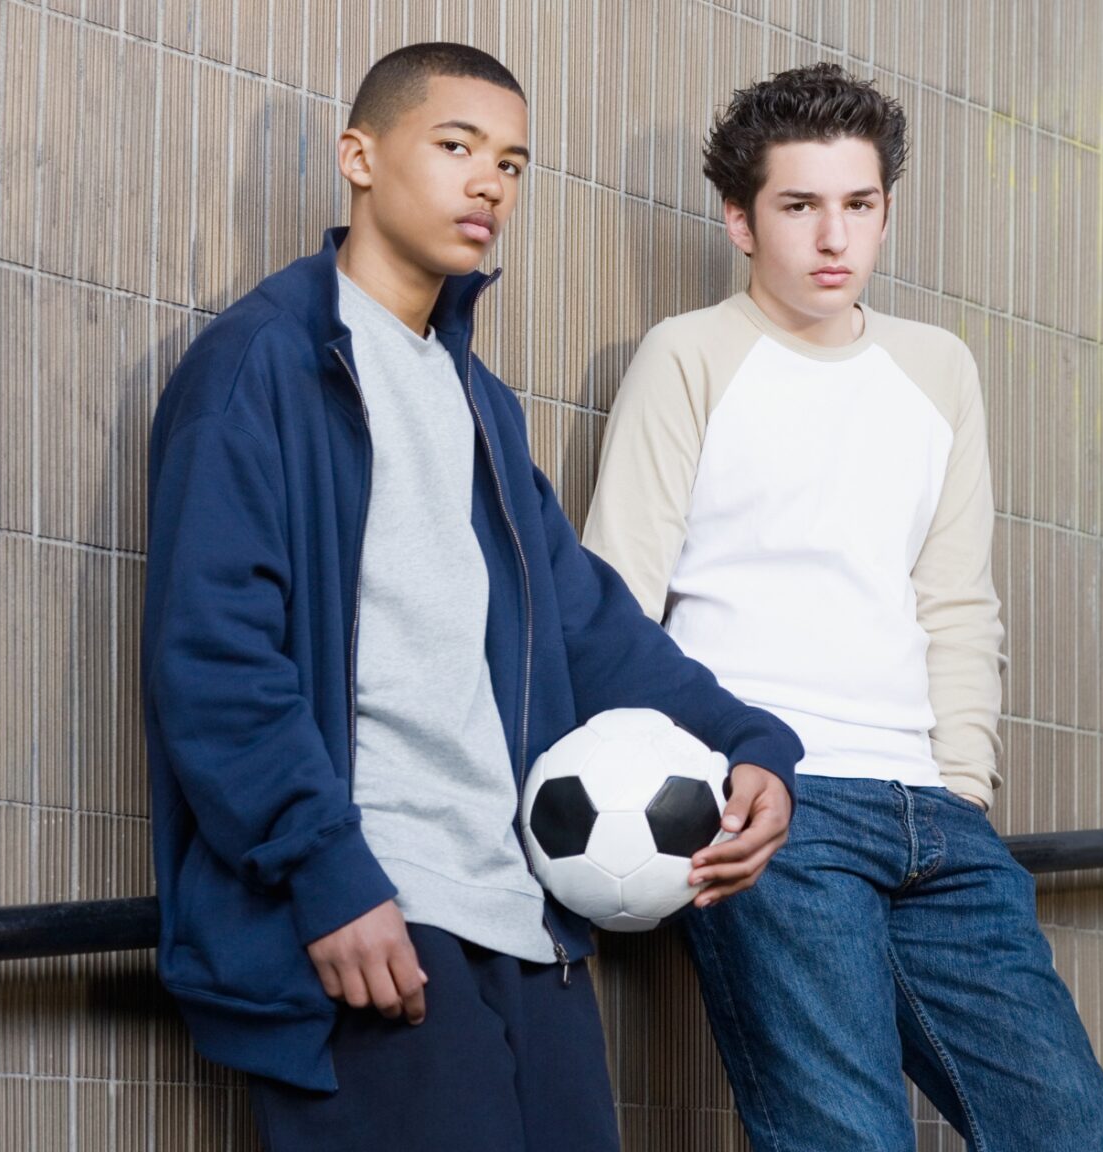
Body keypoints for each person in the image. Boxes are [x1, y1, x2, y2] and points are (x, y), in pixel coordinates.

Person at [140, 42, 802, 1152]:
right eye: (455, 147)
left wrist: (748, 743)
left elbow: (584, 621)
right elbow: (213, 660)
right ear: (359, 156)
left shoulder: (478, 405)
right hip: (372, 917)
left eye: (511, 162)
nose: (488, 182)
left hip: (519, 914)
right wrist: (326, 874)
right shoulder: (261, 369)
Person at [583, 61, 1103, 1152]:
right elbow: (615, 598)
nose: (833, 237)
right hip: (779, 812)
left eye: (858, 205)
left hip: (935, 818)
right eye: (797, 206)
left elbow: (956, 597)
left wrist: (964, 783)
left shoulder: (937, 369)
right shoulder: (689, 357)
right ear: (738, 220)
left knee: (1069, 1129)